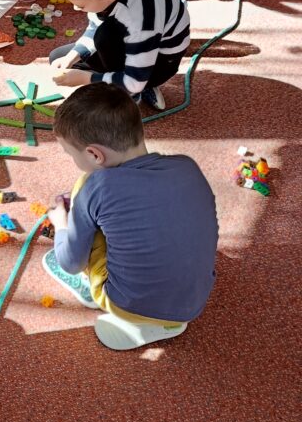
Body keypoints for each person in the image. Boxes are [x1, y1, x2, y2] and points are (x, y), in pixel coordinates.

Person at [43, 84, 218, 350]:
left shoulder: (94, 185)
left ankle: (101, 295)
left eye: (71, 154)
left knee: (86, 210)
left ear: (94, 154)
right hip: (194, 300)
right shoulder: (187, 165)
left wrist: (61, 225)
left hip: (127, 303)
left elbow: (70, 263)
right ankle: (165, 321)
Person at [49, 0, 190, 110]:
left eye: (81, 6)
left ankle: (132, 94)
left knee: (105, 39)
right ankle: (122, 79)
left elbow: (134, 81)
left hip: (160, 63)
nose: (75, 8)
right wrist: (72, 56)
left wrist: (86, 78)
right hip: (138, 42)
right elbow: (95, 25)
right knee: (60, 57)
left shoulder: (140, 22)